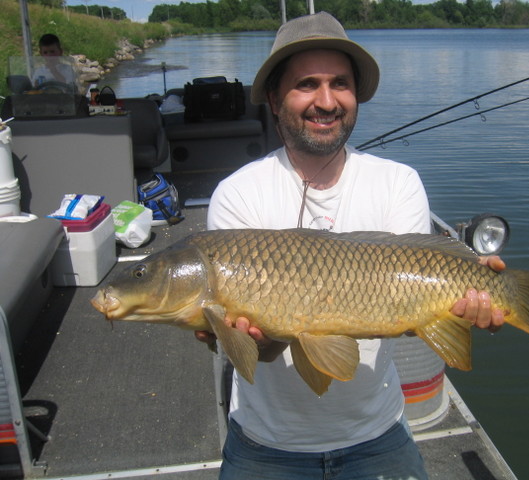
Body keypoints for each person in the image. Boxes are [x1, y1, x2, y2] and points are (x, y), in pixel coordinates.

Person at [200, 12, 505, 480]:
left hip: (377, 435)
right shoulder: (239, 194)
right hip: (266, 444)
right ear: (274, 98)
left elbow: (406, 313)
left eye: (340, 84)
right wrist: (239, 336)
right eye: (307, 84)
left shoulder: (398, 182)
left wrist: (466, 296)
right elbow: (255, 352)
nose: (327, 101)